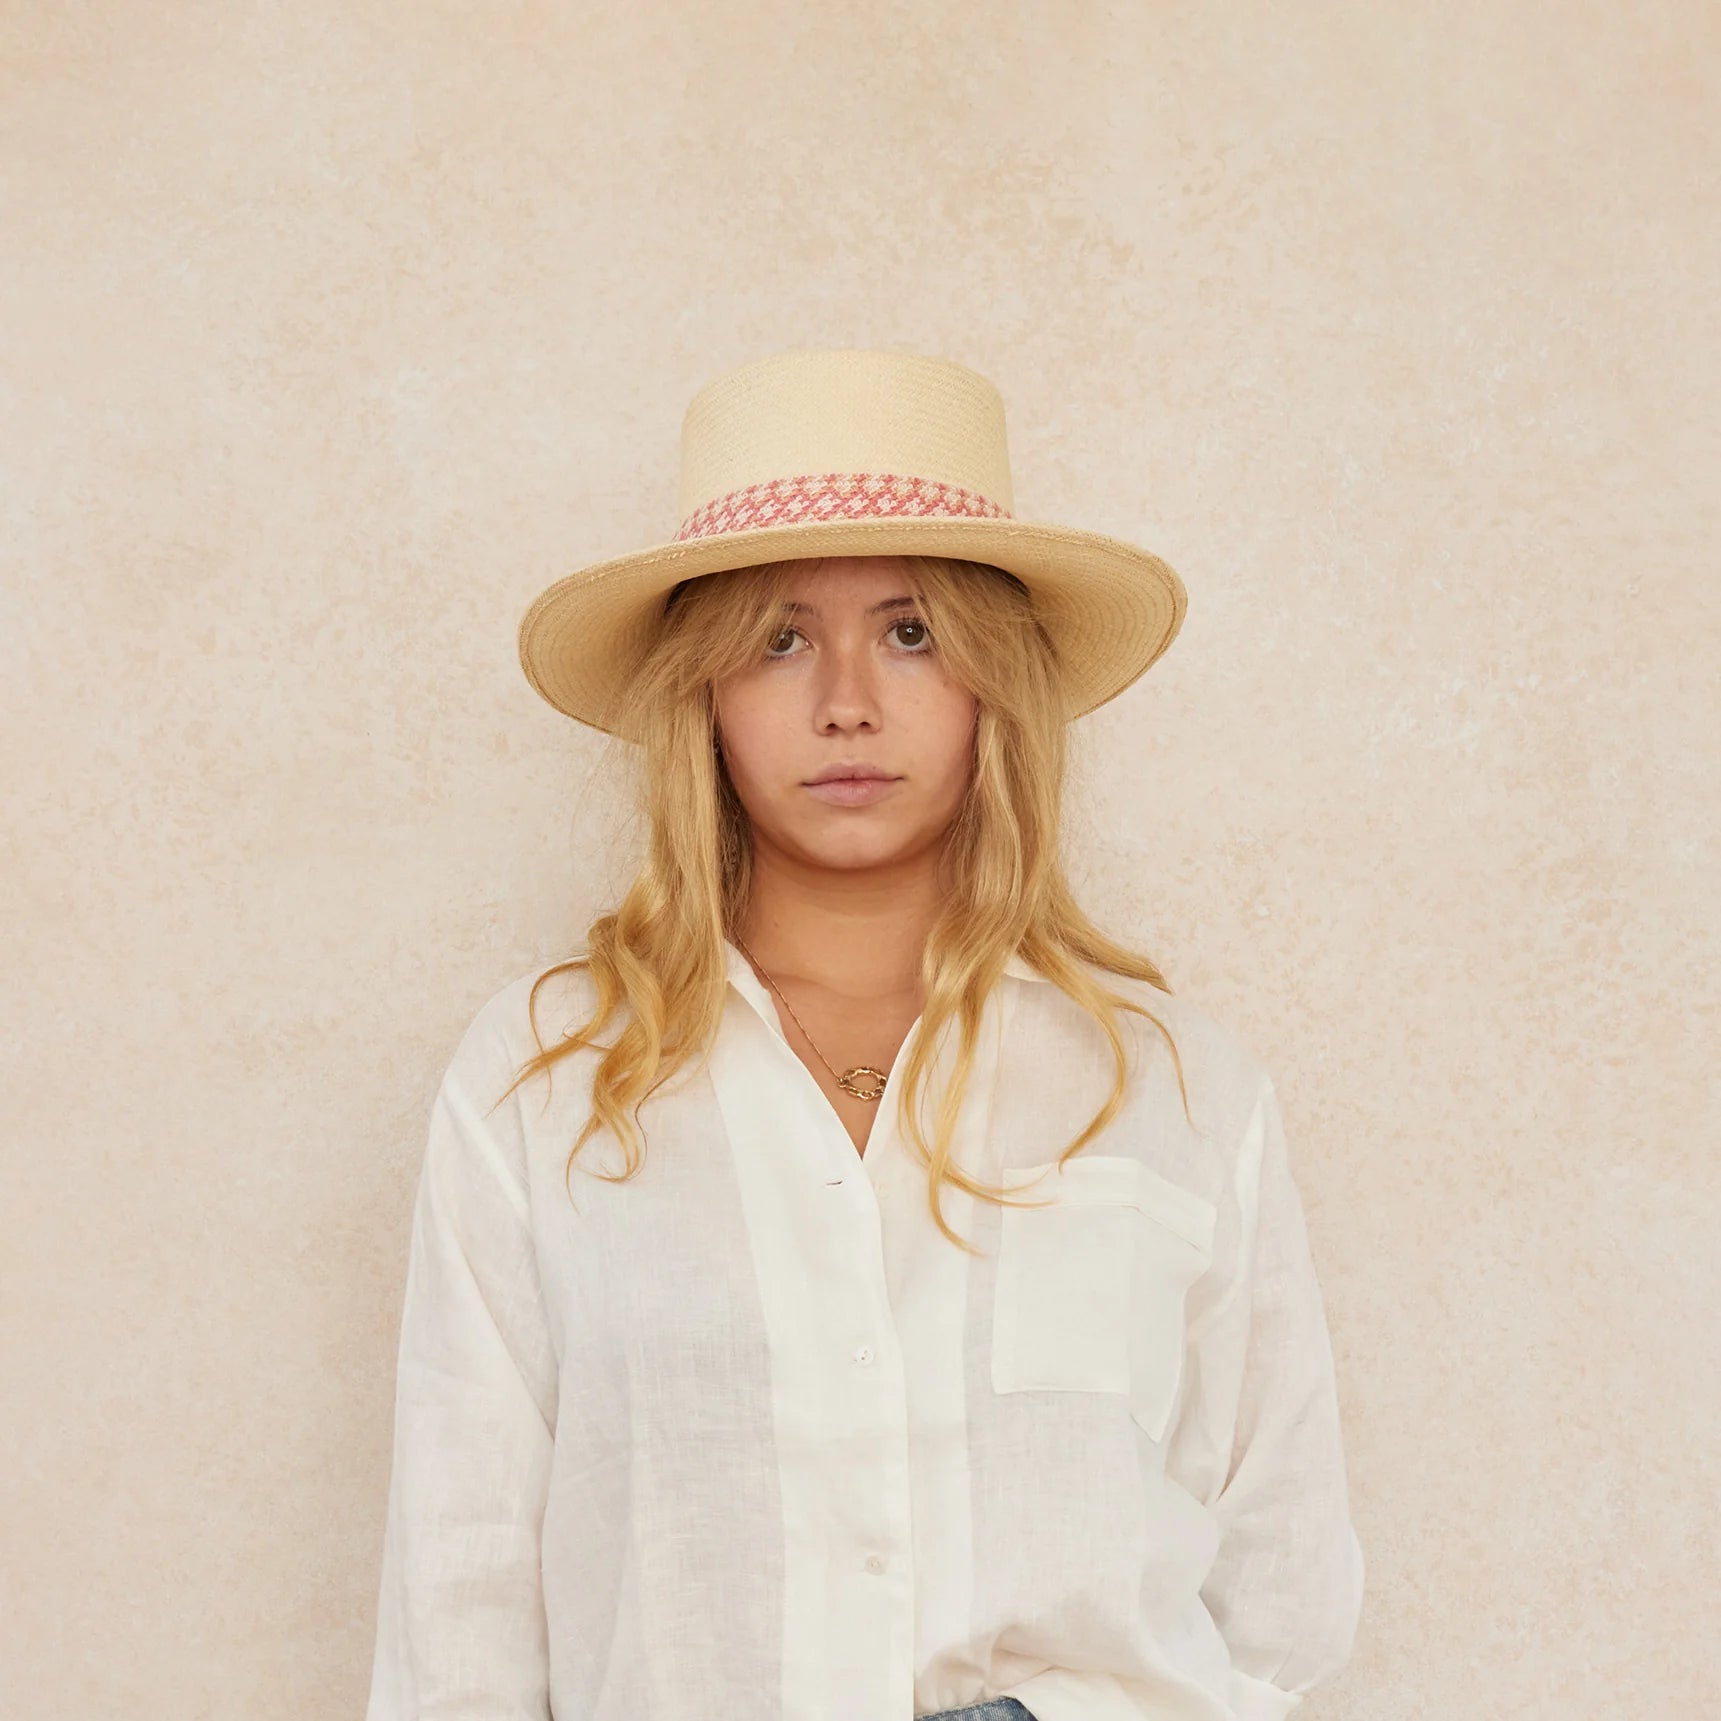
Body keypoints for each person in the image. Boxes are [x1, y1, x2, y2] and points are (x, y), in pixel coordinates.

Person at [363, 347, 1365, 1721]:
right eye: (775, 637)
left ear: (992, 679)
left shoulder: (1174, 1092)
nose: (845, 699)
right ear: (700, 692)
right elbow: (457, 1598)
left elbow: (1280, 1581)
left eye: (910, 631)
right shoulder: (544, 1082)